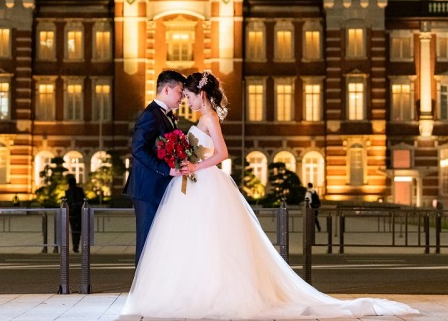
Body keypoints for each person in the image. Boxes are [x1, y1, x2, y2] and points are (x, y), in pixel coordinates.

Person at [121, 71, 418, 319]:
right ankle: (182, 289)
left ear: (201, 94)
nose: (185, 99)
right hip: (190, 182)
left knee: (209, 240)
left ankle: (205, 290)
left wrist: (193, 164)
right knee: (193, 239)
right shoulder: (179, 118)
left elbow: (222, 153)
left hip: (203, 181)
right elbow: (148, 149)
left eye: (189, 95)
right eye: (182, 95)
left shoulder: (207, 119)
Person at [122, 69, 186, 266]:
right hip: (147, 188)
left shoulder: (166, 115)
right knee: (147, 239)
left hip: (157, 188)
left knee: (158, 240)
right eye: (180, 92)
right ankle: (140, 290)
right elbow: (138, 149)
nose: (182, 98)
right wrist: (167, 170)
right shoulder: (150, 115)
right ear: (167, 89)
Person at [64, 175, 86, 253]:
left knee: (74, 230)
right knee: (78, 230)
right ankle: (76, 245)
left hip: (73, 213)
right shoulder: (79, 190)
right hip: (77, 213)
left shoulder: (68, 192)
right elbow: (84, 200)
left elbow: (67, 202)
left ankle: (75, 245)